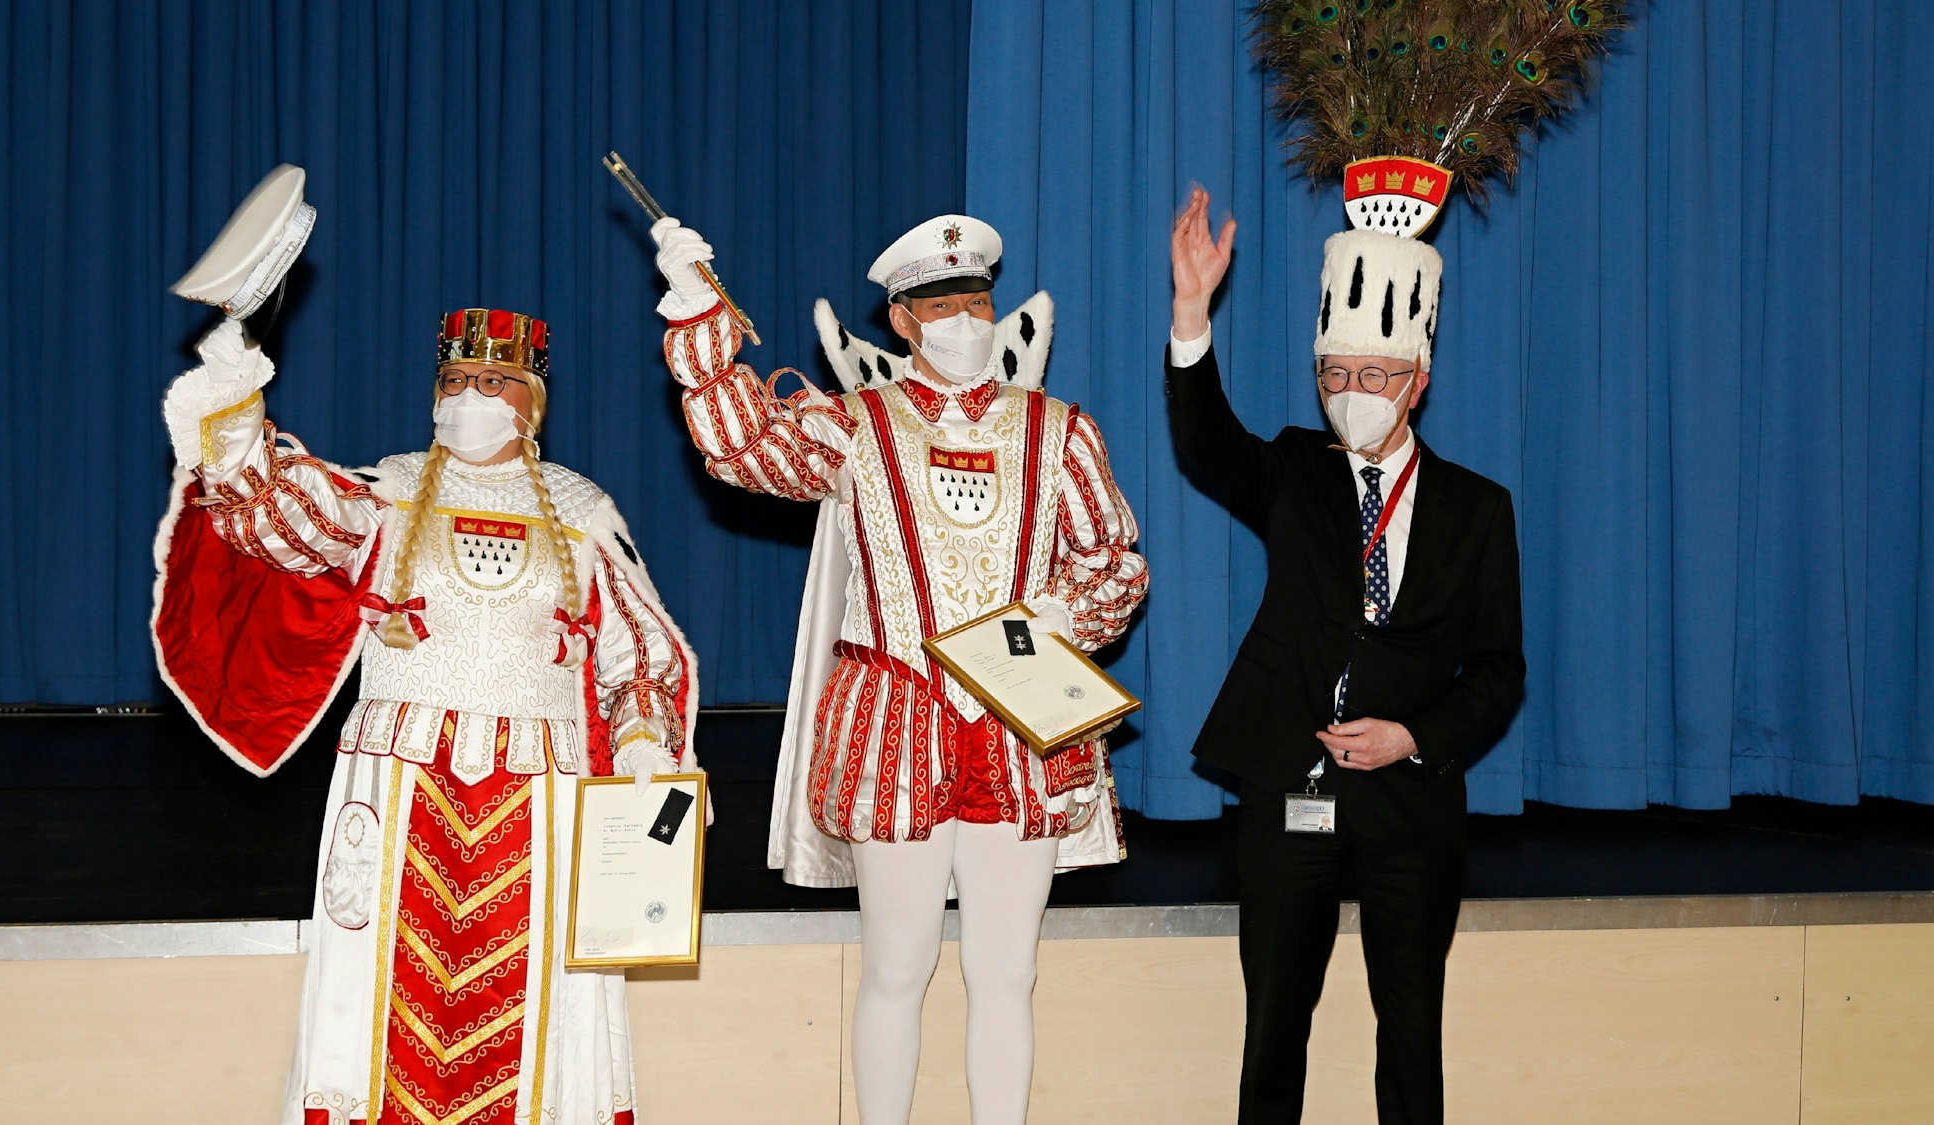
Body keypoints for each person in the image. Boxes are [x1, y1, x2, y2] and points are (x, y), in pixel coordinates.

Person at [646, 214, 1148, 1123]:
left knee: (1008, 971)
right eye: (940, 303)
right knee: (894, 965)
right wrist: (696, 315)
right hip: (896, 720)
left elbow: (1116, 560)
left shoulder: (1060, 431)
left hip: (1019, 726)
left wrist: (1065, 612)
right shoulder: (850, 427)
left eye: (977, 299)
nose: (964, 318)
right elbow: (741, 448)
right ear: (903, 320)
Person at [155, 286, 697, 1121]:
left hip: (538, 801)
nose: (470, 397)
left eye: (494, 381)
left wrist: (642, 741)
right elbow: (278, 520)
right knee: (380, 1000)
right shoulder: (388, 491)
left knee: (535, 1006)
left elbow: (643, 652)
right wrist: (232, 407)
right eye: (455, 380)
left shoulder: (585, 510)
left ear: (532, 401)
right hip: (399, 790)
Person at [1165, 185, 1524, 1124]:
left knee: (1411, 1037)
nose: (1350, 396)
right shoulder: (1294, 471)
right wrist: (1192, 310)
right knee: (1273, 1030)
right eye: (1335, 376)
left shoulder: (1477, 508)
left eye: (1373, 376)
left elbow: (1499, 670)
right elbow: (1207, 444)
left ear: (1419, 380)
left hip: (1410, 811)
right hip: (1290, 795)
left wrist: (1413, 734)